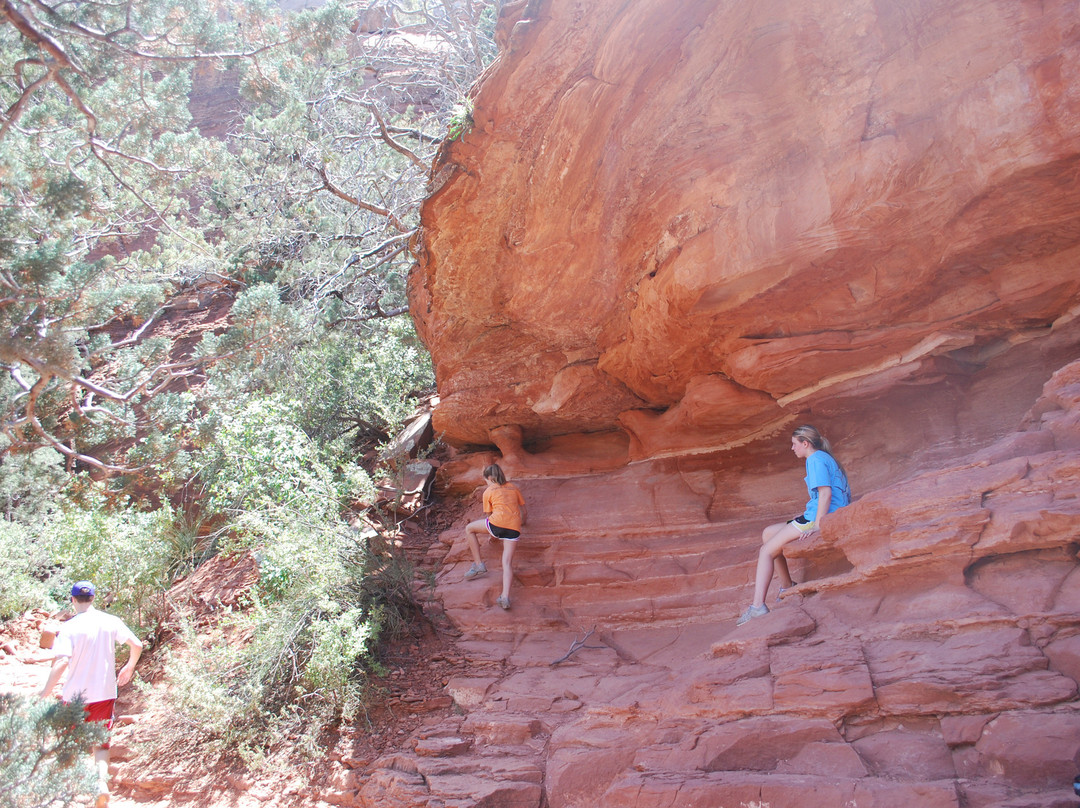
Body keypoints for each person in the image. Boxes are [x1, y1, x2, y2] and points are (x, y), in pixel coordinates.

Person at [40, 581, 143, 808]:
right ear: (94, 598)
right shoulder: (110, 621)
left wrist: (45, 692)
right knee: (100, 743)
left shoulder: (69, 627)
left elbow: (62, 662)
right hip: (104, 693)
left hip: (75, 695)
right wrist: (129, 667)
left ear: (73, 600)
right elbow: (137, 644)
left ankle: (69, 794)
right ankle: (100, 784)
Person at [737, 425, 851, 626]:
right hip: (818, 514)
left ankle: (757, 607)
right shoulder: (824, 458)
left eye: (794, 444)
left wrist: (818, 525)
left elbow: (825, 494)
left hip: (818, 517)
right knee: (768, 534)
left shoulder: (815, 459)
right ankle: (787, 586)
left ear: (805, 444)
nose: (792, 448)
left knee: (765, 552)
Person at [462, 463, 527, 610]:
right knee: (507, 563)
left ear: (490, 478)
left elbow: (488, 516)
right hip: (514, 529)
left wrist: (493, 535)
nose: (486, 482)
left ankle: (479, 565)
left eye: (485, 480)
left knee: (469, 529)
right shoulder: (514, 487)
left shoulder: (489, 491)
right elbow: (524, 510)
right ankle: (505, 597)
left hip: (497, 524)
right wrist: (523, 522)